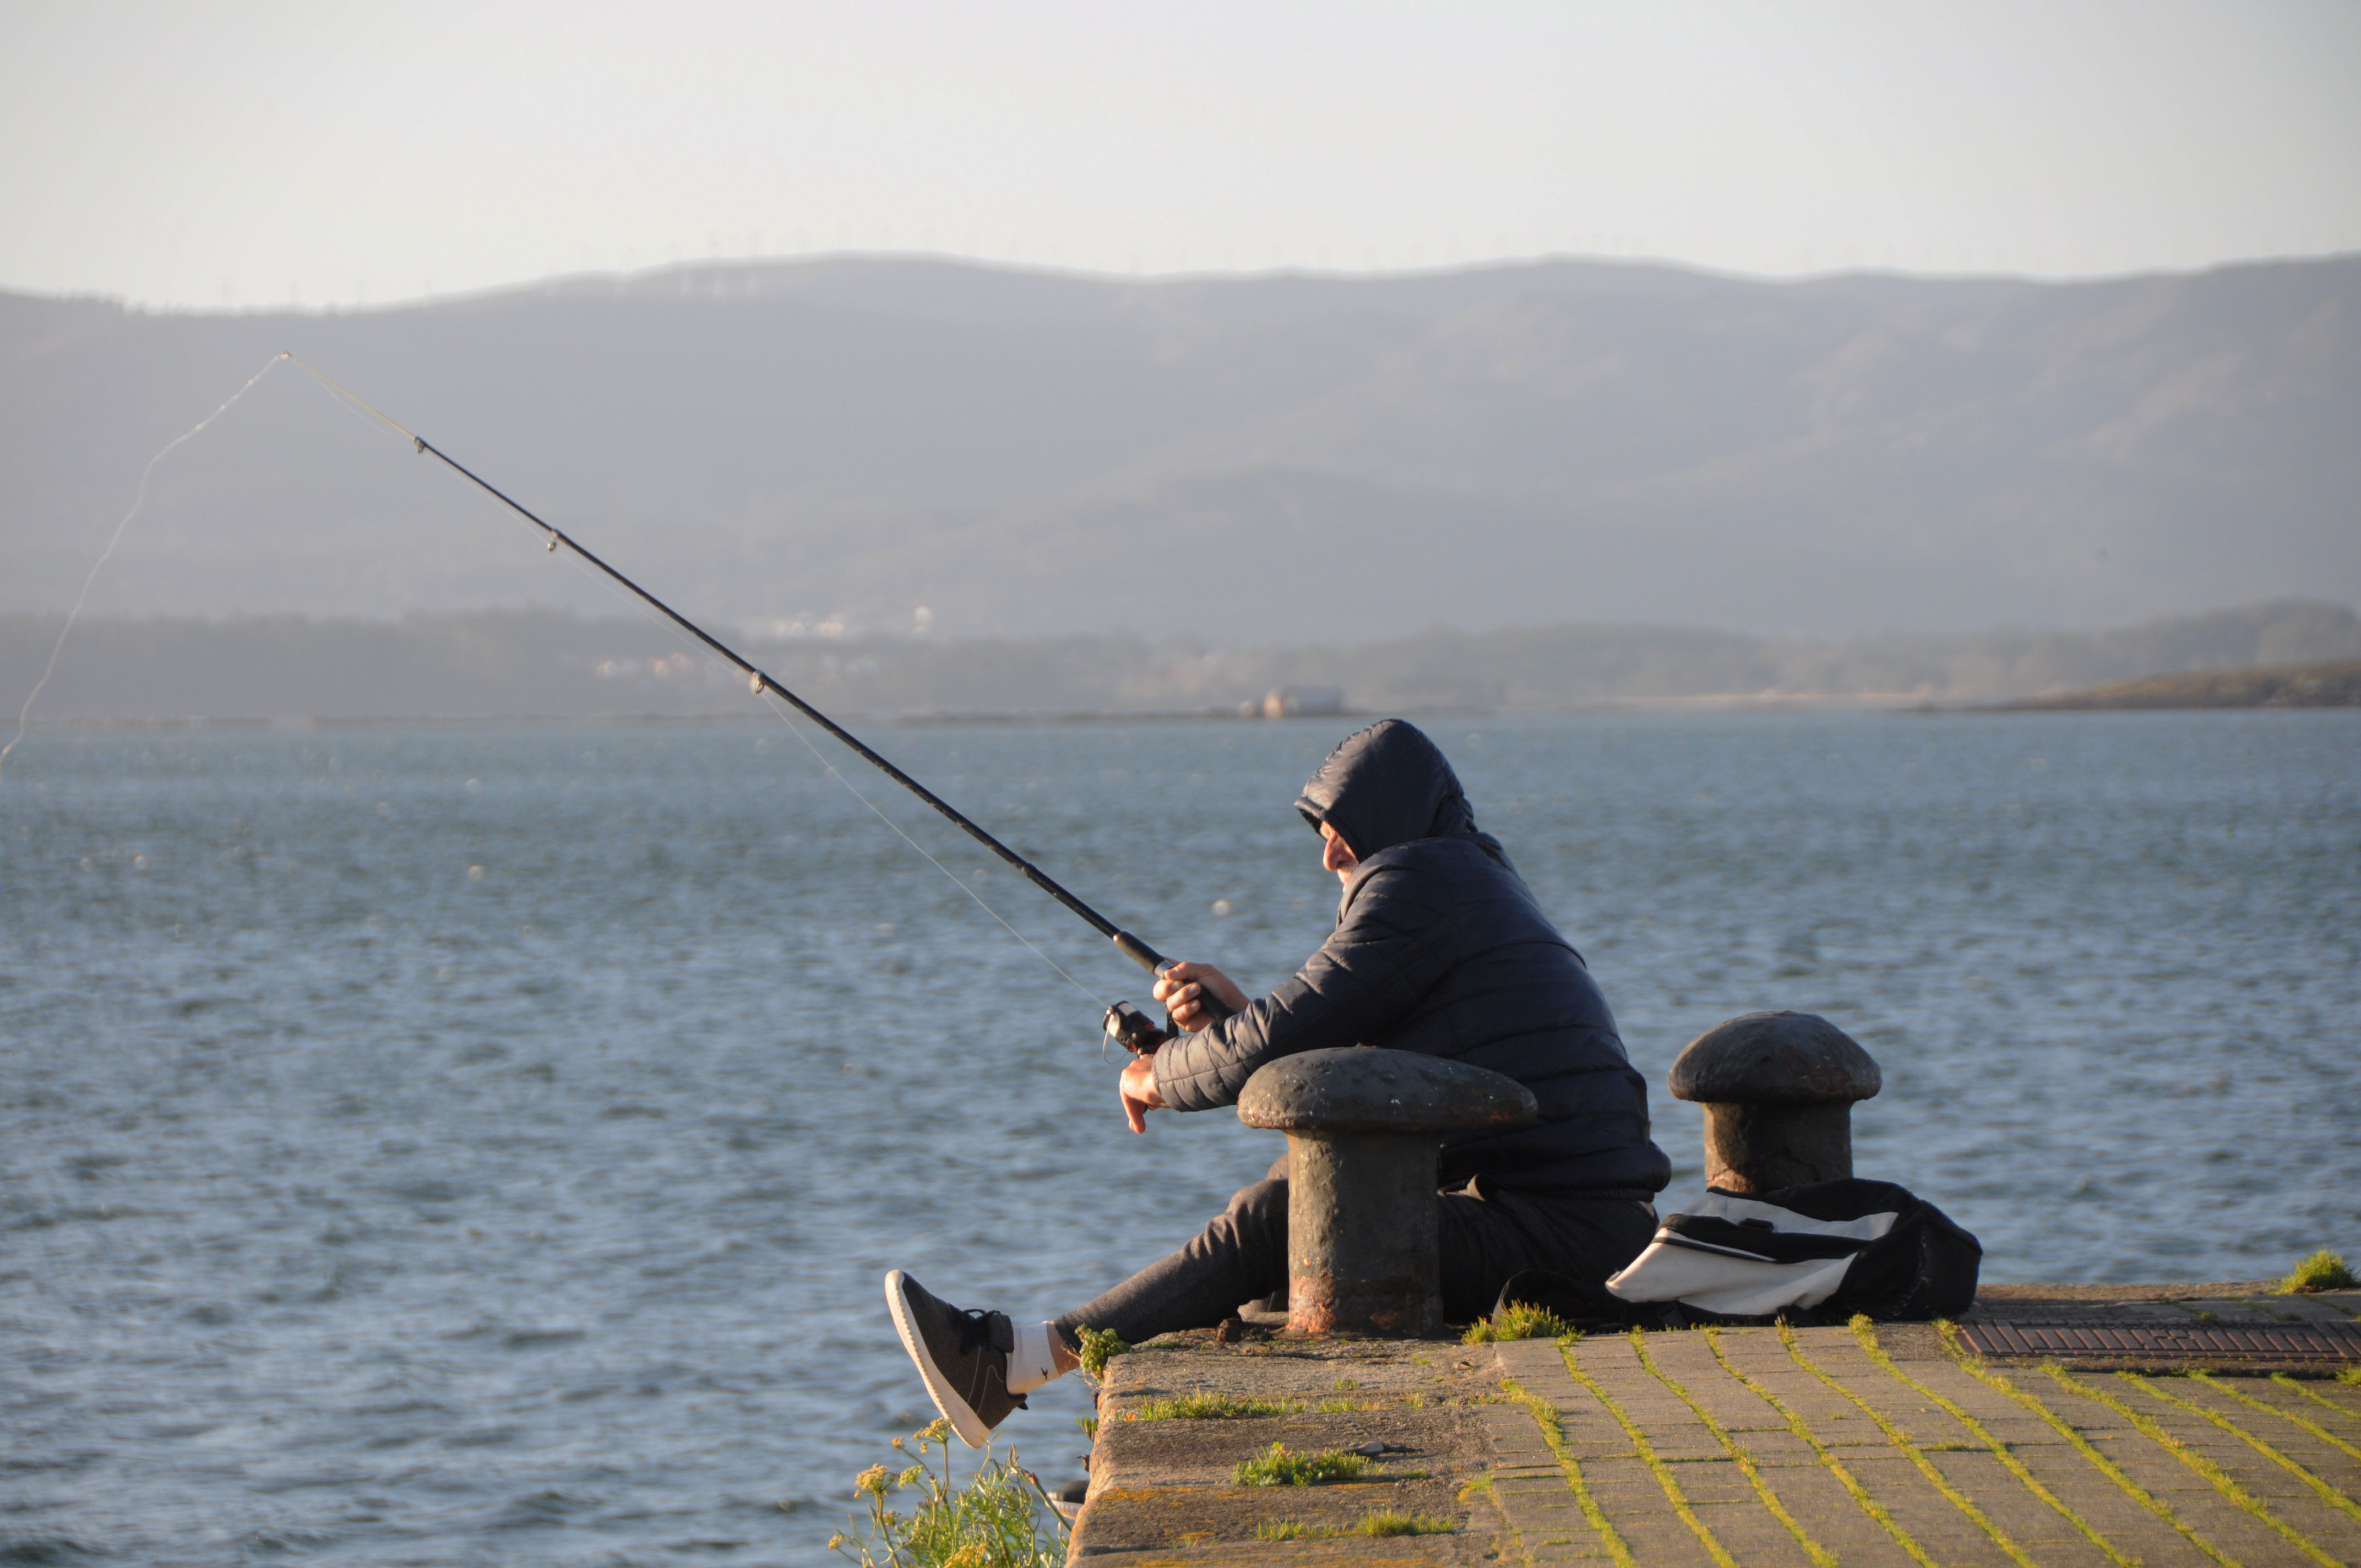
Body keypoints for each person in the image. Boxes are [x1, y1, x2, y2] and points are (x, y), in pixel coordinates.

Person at [885, 720, 1670, 1447]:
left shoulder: (1420, 888)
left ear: (1393, 822)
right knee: (1303, 1180)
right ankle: (1210, 1422)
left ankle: (1017, 1361)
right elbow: (1346, 1054)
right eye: (1324, 833)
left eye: (1343, 832)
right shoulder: (1466, 882)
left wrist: (1158, 1074)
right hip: (1571, 1220)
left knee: (1283, 1220)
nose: (1329, 854)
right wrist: (1233, 1020)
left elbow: (1288, 1037)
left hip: (1564, 1239)